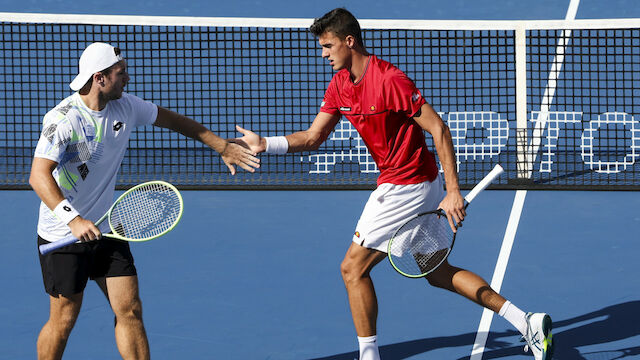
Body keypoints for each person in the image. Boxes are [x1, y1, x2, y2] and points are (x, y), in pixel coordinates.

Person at [234, 8, 553, 360]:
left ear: (349, 41)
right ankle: (526, 321)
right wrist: (267, 143)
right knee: (436, 271)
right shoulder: (340, 84)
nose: (322, 53)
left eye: (328, 46)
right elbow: (313, 137)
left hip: (407, 187)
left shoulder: (390, 80)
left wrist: (452, 191)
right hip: (415, 182)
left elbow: (439, 129)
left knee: (352, 269)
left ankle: (369, 356)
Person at [30, 42, 259, 360]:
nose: (127, 78)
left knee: (130, 310)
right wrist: (73, 219)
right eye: (120, 73)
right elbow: (38, 176)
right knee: (64, 320)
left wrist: (221, 146)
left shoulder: (126, 106)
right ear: (100, 78)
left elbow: (176, 122)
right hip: (63, 233)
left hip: (107, 225)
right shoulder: (64, 119)